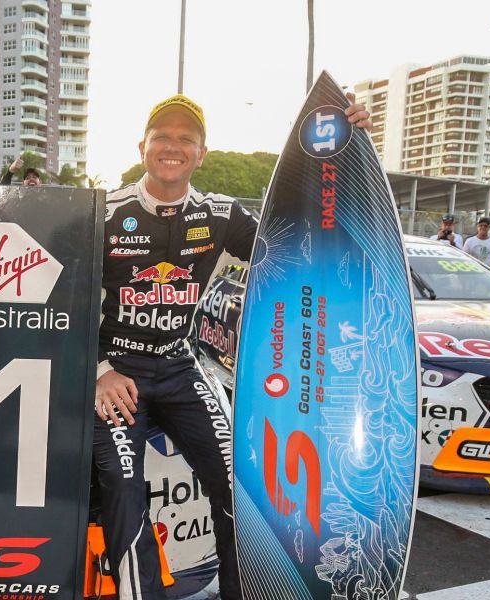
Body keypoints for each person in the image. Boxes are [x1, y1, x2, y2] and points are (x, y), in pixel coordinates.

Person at [94, 93, 372, 600]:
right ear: (142, 147)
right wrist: (99, 370)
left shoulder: (221, 213)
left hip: (181, 367)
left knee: (240, 487)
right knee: (123, 494)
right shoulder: (105, 212)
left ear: (201, 154)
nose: (172, 147)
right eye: (162, 137)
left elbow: (299, 240)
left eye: (186, 139)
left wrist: (345, 151)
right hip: (119, 374)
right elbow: (65, 297)